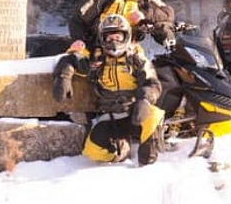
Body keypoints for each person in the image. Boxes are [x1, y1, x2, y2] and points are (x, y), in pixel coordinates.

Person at [53, 14, 165, 166]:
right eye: (109, 38)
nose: (114, 42)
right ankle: (122, 150)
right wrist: (63, 76)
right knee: (91, 152)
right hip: (112, 115)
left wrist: (145, 100)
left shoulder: (136, 59)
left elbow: (152, 82)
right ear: (102, 39)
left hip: (135, 110)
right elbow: (71, 59)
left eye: (118, 37)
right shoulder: (97, 61)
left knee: (153, 114)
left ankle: (149, 153)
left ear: (126, 36)